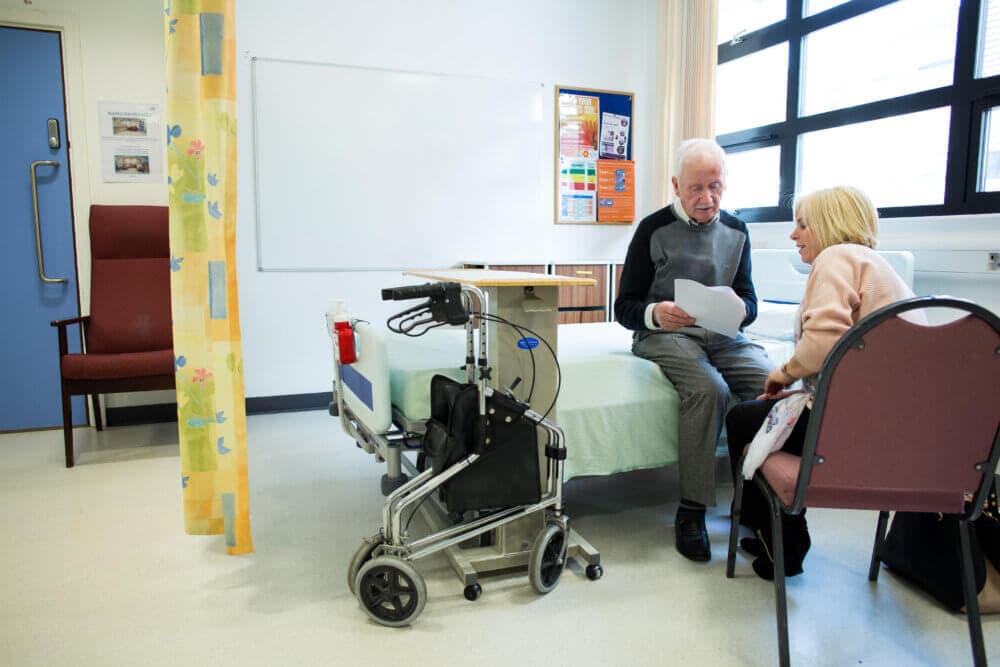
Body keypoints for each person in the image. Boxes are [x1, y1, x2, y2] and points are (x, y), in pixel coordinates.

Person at [725, 185, 923, 580]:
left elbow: (823, 343)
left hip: (850, 429)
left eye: (802, 224)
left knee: (743, 420)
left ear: (829, 225)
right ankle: (770, 534)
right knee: (760, 416)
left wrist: (783, 374)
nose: (793, 234)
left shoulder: (835, 258)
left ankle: (781, 543)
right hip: (900, 432)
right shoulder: (879, 268)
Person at [614, 138, 773, 563]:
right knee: (710, 389)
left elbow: (751, 302)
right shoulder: (653, 229)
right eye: (696, 189)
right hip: (667, 333)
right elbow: (624, 306)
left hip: (722, 333)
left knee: (772, 385)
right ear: (676, 186)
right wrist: (656, 312)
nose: (707, 199)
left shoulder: (737, 230)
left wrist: (743, 309)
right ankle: (692, 509)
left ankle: (760, 509)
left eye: (716, 187)